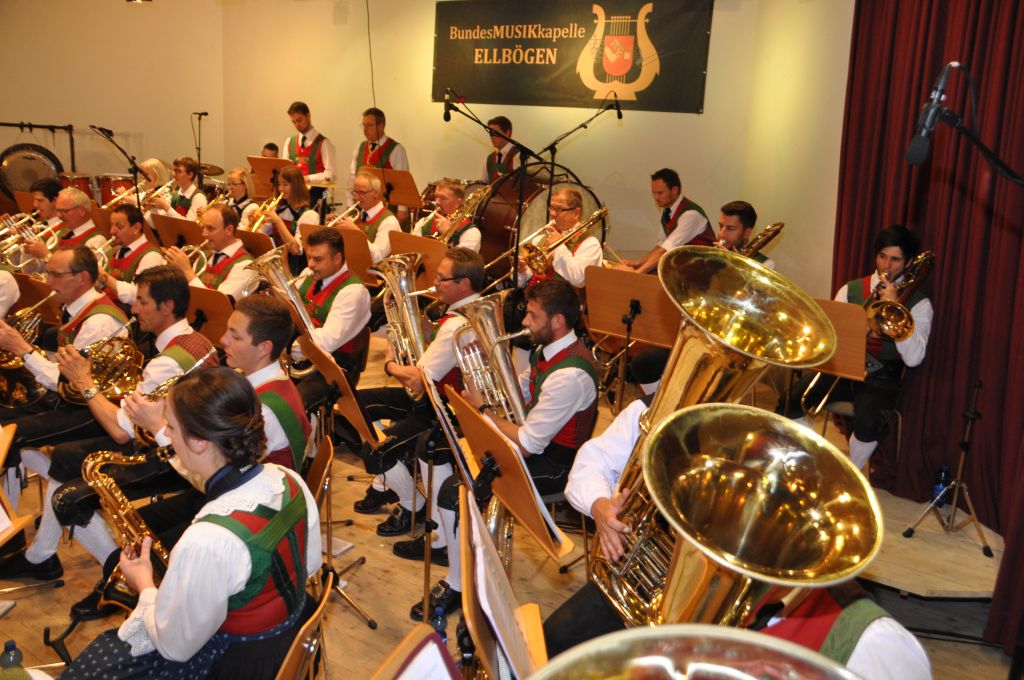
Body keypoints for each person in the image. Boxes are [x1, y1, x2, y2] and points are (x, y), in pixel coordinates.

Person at [59, 366, 321, 680]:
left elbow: (175, 647)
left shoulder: (207, 539)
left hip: (236, 665)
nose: (167, 435)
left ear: (199, 442)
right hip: (290, 640)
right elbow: (309, 565)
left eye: (170, 427)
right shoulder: (288, 479)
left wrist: (144, 584)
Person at [0, 267, 217, 581]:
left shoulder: (167, 361)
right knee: (64, 456)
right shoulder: (195, 340)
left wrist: (84, 381)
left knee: (66, 493)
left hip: (170, 454)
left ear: (167, 307)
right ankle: (39, 556)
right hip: (170, 438)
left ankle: (117, 575)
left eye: (142, 302)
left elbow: (120, 431)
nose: (133, 308)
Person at [778, 225, 932, 469]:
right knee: (791, 401)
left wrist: (895, 313)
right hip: (843, 367)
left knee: (869, 420)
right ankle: (808, 459)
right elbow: (832, 337)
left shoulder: (920, 304)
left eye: (895, 259)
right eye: (882, 256)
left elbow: (914, 359)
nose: (886, 266)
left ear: (909, 262)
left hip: (883, 374)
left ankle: (850, 470)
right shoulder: (850, 290)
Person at [289, 227, 371, 410]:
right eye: (309, 257)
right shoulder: (308, 274)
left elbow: (326, 342)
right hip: (305, 354)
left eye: (318, 259)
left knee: (294, 404)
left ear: (337, 258)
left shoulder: (353, 292)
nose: (310, 264)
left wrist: (287, 345)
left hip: (336, 366)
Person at [615, 168, 712, 274]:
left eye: (660, 193)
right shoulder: (666, 210)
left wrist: (636, 273)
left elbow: (664, 251)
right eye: (654, 193)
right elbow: (661, 245)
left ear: (674, 190)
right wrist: (637, 264)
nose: (656, 197)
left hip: (702, 272)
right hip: (685, 269)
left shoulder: (691, 215)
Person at [516, 187, 603, 288]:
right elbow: (522, 283)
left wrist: (559, 246)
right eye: (551, 208)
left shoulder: (590, 244)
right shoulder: (540, 239)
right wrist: (522, 271)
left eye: (558, 209)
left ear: (576, 213)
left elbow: (579, 279)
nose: (552, 214)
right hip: (534, 296)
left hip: (565, 298)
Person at [165, 204, 253, 302]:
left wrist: (187, 270)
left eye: (210, 228)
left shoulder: (246, 265)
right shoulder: (204, 256)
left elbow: (218, 303)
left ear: (229, 230)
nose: (204, 234)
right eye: (204, 227)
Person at [97, 203, 166, 305]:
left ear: (136, 228)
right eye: (111, 225)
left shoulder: (151, 256)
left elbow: (138, 295)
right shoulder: (112, 251)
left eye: (119, 226)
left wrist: (104, 277)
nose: (112, 231)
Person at [256, 165, 317, 275]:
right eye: (279, 184)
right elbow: (260, 235)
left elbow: (295, 249)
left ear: (297, 186)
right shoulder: (279, 210)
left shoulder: (309, 215)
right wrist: (255, 222)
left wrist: (278, 222)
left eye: (285, 184)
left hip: (295, 272)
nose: (280, 189)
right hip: (276, 267)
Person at [336, 169, 401, 264]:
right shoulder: (357, 215)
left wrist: (357, 233)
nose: (356, 197)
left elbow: (378, 257)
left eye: (362, 193)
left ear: (376, 193)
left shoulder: (389, 222)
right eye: (355, 192)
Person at [283, 101, 336, 207]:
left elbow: (331, 175)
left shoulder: (324, 143)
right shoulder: (289, 142)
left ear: (308, 116)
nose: (297, 125)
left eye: (299, 120)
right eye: (293, 122)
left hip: (316, 196)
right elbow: (284, 171)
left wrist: (306, 179)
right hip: (292, 196)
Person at [411, 179, 481, 251]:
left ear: (457, 202)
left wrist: (447, 234)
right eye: (436, 196)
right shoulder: (423, 223)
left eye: (443, 198)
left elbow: (461, 258)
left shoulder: (471, 232)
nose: (437, 202)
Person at [715, 200, 775, 270]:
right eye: (721, 226)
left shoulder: (765, 264)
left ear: (747, 233)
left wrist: (731, 264)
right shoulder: (712, 254)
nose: (721, 234)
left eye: (730, 229)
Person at [147, 156, 208, 222]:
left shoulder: (198, 197)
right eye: (173, 170)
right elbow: (159, 221)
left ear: (190, 175)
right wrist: (154, 205)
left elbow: (190, 224)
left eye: (178, 171)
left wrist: (165, 206)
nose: (173, 174)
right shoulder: (175, 194)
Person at [481, 115, 519, 183]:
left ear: (507, 132)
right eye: (490, 133)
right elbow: (483, 184)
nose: (492, 137)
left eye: (495, 132)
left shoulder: (519, 155)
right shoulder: (488, 159)